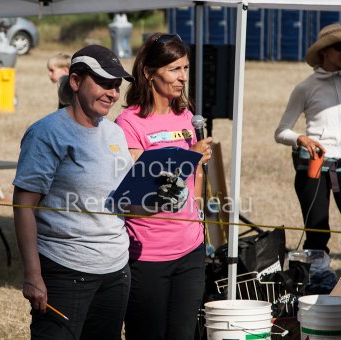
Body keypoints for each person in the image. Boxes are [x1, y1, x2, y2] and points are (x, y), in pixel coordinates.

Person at [13, 45, 134, 340]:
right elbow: (23, 204)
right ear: (76, 81)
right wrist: (32, 275)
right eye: (104, 83)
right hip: (65, 272)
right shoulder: (47, 133)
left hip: (116, 271)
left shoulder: (115, 133)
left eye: (116, 86)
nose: (113, 94)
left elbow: (124, 201)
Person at [115, 32, 213, 340]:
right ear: (148, 73)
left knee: (184, 334)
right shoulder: (129, 124)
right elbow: (133, 189)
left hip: (190, 250)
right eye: (174, 69)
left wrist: (196, 219)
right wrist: (189, 160)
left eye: (185, 68)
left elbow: (193, 183)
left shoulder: (185, 116)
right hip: (148, 254)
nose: (183, 77)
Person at [275, 23, 341, 264]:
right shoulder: (305, 87)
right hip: (314, 170)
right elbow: (281, 132)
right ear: (324, 52)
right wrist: (300, 138)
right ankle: (316, 290)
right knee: (317, 236)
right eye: (339, 48)